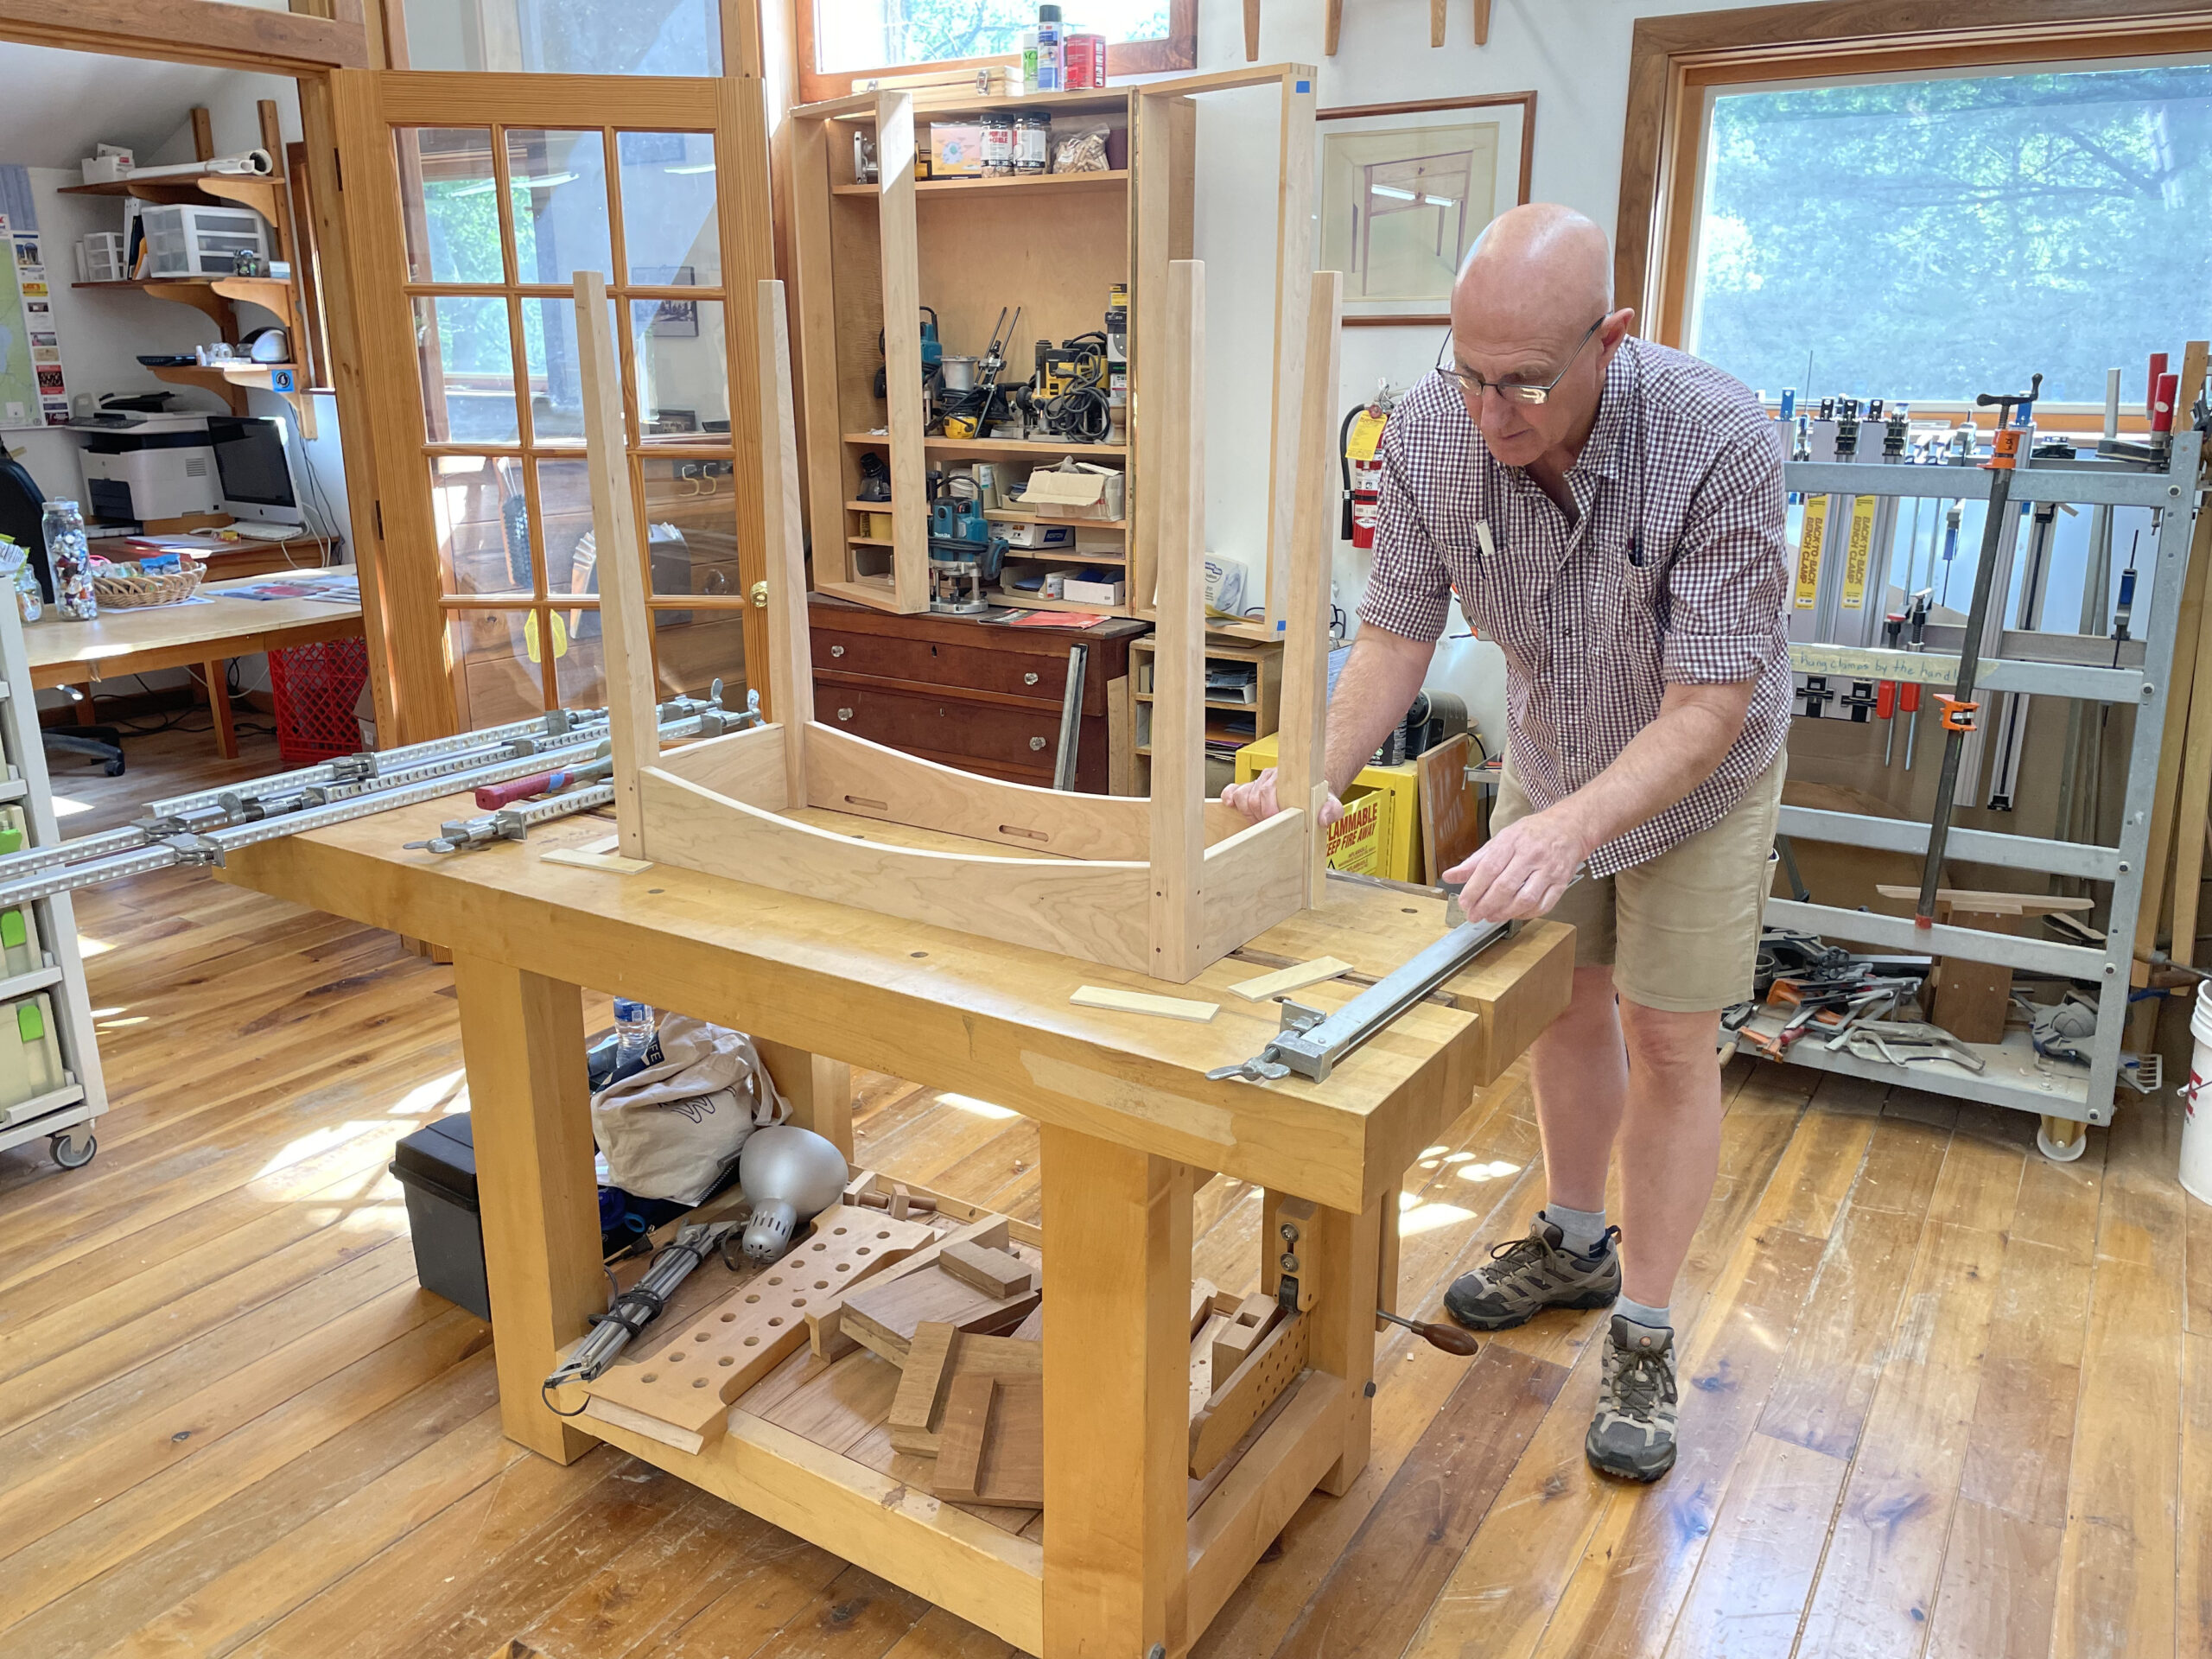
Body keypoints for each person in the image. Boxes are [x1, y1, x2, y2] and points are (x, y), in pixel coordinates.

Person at [1224, 203, 1789, 1481]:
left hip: (1698, 771)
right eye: (1470, 373)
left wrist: (1574, 829)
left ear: (1611, 339)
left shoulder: (1718, 440)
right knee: (1559, 1002)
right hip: (1555, 747)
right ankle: (1575, 1244)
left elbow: (1709, 707)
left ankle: (1644, 1328)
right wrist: (1312, 776)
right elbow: (1395, 634)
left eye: (1525, 381)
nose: (1492, 413)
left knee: (1667, 1035)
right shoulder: (1434, 432)